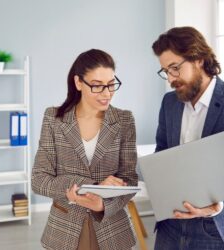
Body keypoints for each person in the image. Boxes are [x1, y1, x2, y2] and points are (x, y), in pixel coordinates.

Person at [151, 26, 224, 250]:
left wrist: (216, 206)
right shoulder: (169, 103)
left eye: (175, 68)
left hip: (219, 229)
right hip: (172, 226)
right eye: (165, 71)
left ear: (199, 59)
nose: (171, 78)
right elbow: (162, 154)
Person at [32, 49, 138, 250]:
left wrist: (103, 204)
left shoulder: (124, 120)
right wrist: (92, 186)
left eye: (111, 84)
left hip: (112, 230)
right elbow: (39, 180)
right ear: (78, 83)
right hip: (64, 230)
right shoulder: (54, 119)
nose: (107, 93)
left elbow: (129, 180)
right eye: (97, 86)